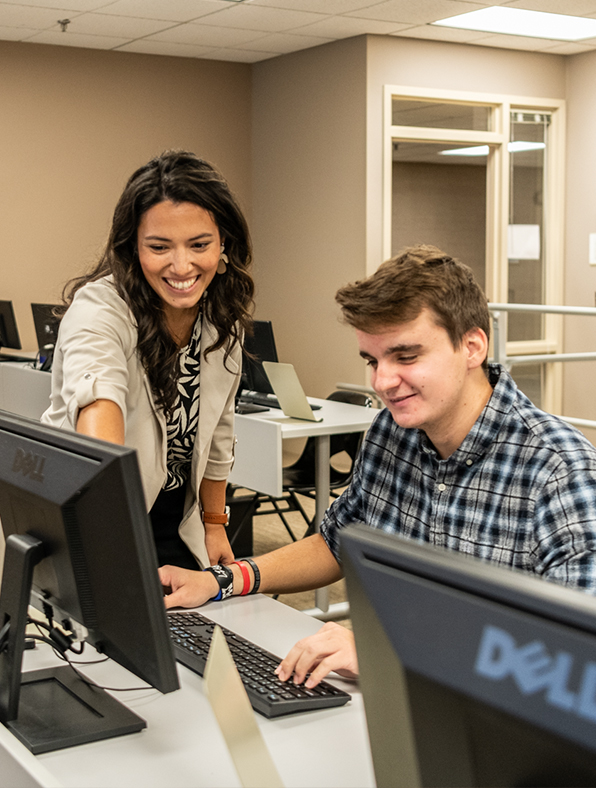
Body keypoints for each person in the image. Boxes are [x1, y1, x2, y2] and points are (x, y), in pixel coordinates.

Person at [158, 244, 596, 688]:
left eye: (406, 356)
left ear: (472, 347)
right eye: (373, 360)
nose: (382, 382)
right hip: (395, 694)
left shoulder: (561, 473)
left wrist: (393, 650)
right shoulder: (392, 432)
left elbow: (580, 658)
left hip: (491, 713)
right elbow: (336, 543)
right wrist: (222, 581)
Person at [41, 150, 254, 570]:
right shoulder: (100, 310)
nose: (182, 266)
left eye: (199, 245)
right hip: (99, 511)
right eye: (159, 247)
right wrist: (113, 539)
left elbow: (219, 432)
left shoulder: (219, 318)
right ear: (133, 248)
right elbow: (98, 404)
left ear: (223, 243)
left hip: (179, 519)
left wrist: (214, 525)